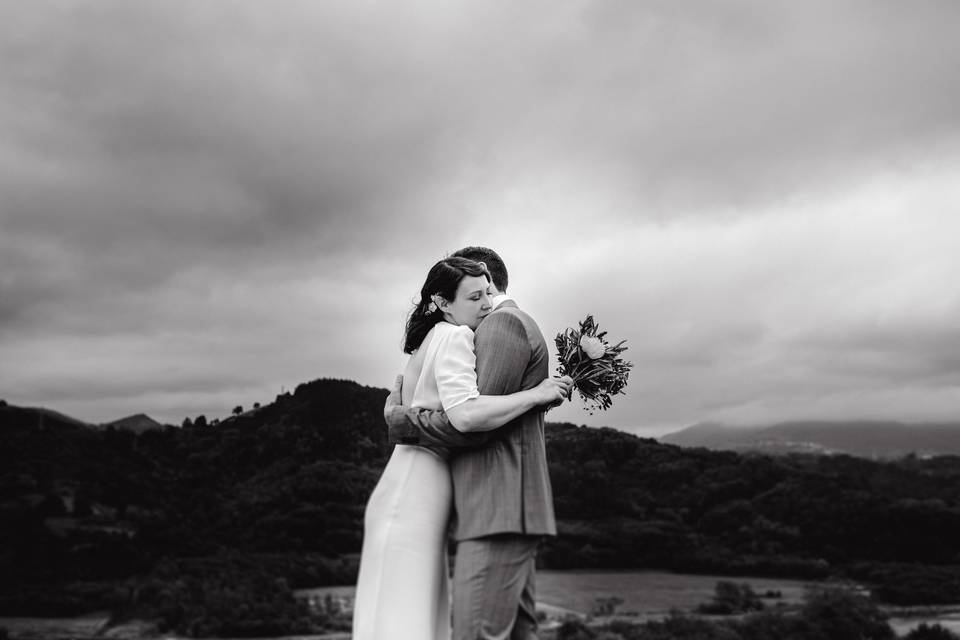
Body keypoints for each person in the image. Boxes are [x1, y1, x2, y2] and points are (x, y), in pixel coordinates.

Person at [352, 255, 571, 640]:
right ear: (442, 301)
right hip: (445, 495)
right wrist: (538, 394)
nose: (485, 304)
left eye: (486, 292)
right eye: (474, 296)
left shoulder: (479, 328)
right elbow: (469, 420)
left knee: (404, 615)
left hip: (488, 505)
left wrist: (401, 419)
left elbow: (470, 420)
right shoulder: (457, 334)